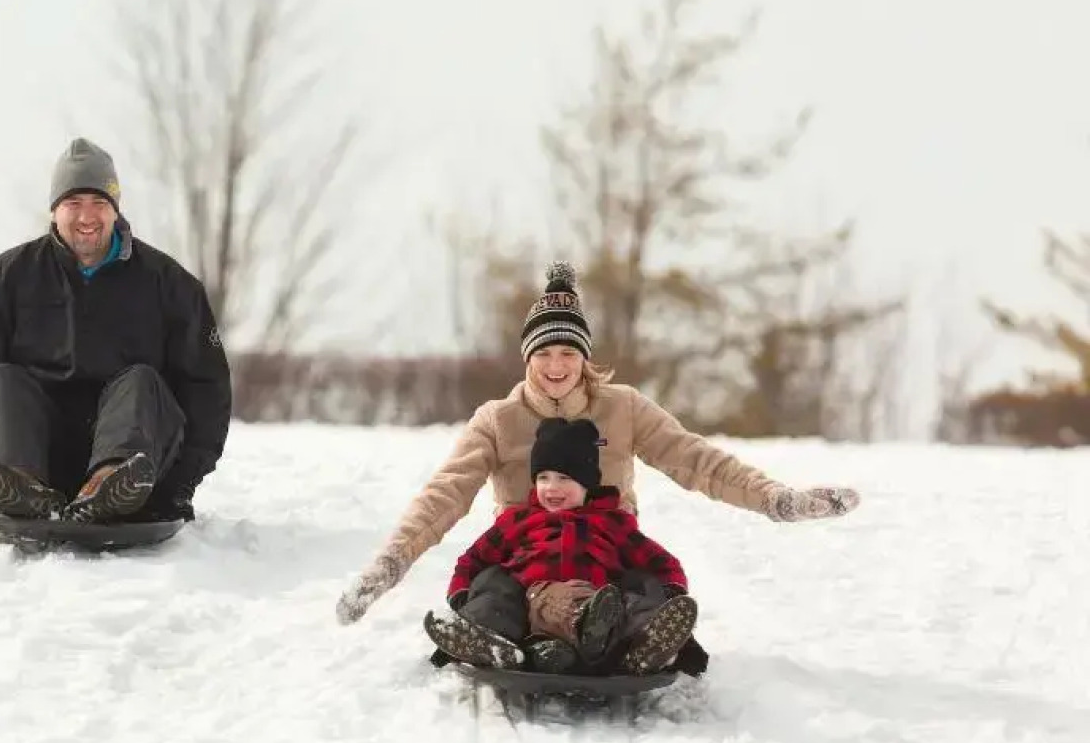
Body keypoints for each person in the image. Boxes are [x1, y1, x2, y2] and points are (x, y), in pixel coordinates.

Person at [336, 259, 860, 625]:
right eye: (544, 354)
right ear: (527, 358)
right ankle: (490, 637)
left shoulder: (622, 407)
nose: (556, 366)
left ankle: (642, 639)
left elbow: (694, 460)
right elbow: (444, 496)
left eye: (568, 352)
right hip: (525, 558)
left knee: (647, 592)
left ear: (585, 356)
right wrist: (390, 564)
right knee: (491, 593)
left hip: (607, 552)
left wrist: (775, 499)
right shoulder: (499, 420)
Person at [0, 138, 233, 524]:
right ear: (54, 210)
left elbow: (206, 389)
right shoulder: (3, 280)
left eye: (99, 203)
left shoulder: (172, 286)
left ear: (116, 209)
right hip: (31, 451)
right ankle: (16, 486)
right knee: (3, 378)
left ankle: (107, 485)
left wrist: (180, 483)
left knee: (142, 380)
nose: (87, 217)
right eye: (73, 203)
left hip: (131, 463)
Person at [422, 417, 699, 676]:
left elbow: (661, 562)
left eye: (565, 478)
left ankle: (649, 644)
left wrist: (669, 594)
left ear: (587, 484)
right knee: (493, 583)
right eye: (543, 478)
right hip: (530, 606)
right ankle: (483, 639)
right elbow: (473, 560)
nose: (552, 487)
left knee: (640, 586)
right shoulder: (518, 521)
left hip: (603, 606)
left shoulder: (612, 523)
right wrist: (460, 597)